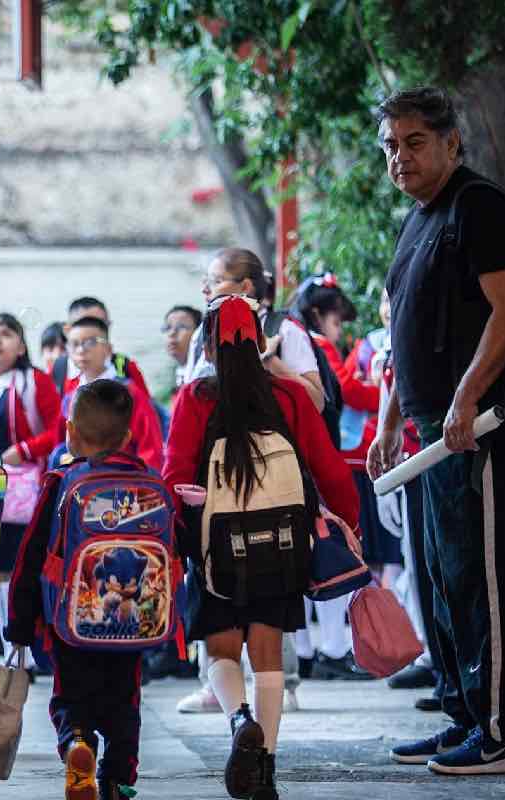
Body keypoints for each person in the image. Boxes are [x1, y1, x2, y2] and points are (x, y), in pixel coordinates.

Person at [369, 86, 505, 775]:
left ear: (451, 144)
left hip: (488, 428)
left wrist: (468, 396)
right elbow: (401, 333)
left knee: (492, 581)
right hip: (432, 436)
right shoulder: (419, 219)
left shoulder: (479, 207)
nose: (399, 157)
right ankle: (465, 717)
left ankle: (501, 735)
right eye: (389, 146)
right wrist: (389, 419)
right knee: (448, 578)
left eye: (413, 142)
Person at [165, 295, 359, 800]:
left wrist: (180, 542)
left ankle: (238, 722)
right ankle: (266, 767)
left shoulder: (195, 397)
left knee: (221, 650)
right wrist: (346, 524)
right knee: (268, 654)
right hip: (283, 546)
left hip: (216, 552)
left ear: (207, 344)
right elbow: (331, 470)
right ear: (260, 340)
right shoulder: (290, 397)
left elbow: (175, 476)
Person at [6, 379, 169, 800]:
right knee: (124, 705)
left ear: (68, 433)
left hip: (70, 622)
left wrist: (20, 623)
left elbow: (30, 557)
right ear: (128, 438)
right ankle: (118, 780)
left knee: (69, 697)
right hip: (132, 624)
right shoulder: (149, 484)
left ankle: (78, 743)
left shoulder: (61, 481)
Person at [288, 276, 377, 682]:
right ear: (317, 315)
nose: (338, 332)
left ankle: (308, 651)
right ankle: (332, 649)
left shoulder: (289, 340)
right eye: (337, 322)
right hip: (320, 459)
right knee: (327, 552)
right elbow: (346, 392)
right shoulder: (316, 345)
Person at [0, 312, 61, 671]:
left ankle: (33, 647)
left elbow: (59, 430)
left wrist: (23, 450)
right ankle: (10, 647)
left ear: (20, 346)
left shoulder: (34, 383)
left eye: (6, 334)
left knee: (24, 568)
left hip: (25, 494)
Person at [184, 250, 326, 413]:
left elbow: (317, 403)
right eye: (206, 281)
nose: (205, 289)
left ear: (245, 286)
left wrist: (271, 362)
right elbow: (189, 403)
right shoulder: (202, 334)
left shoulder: (284, 331)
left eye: (216, 281)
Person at [53, 316, 164, 469]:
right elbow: (60, 438)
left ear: (108, 349)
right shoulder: (71, 392)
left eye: (91, 342)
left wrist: (142, 481)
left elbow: (150, 447)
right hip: (80, 478)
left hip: (123, 477)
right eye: (74, 344)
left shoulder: (128, 392)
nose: (81, 349)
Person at [51, 297, 151, 397]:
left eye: (100, 324)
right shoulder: (59, 368)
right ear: (67, 331)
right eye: (83, 324)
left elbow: (146, 405)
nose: (92, 329)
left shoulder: (123, 366)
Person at [164, 304, 202, 395]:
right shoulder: (177, 372)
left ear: (199, 334)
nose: (172, 333)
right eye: (168, 328)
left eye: (181, 327)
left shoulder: (204, 377)